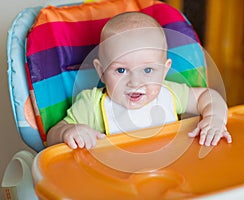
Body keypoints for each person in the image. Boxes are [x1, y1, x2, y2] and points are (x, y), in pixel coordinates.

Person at [47, 12, 232, 149]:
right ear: (101, 72)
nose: (135, 82)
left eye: (148, 70)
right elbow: (53, 136)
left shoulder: (170, 94)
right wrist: (67, 132)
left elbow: (207, 97)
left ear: (164, 70)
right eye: (121, 70)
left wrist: (214, 118)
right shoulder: (92, 104)